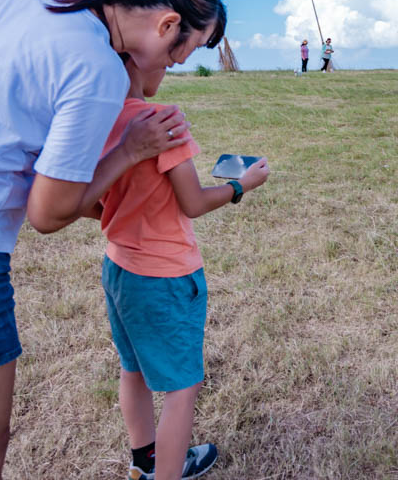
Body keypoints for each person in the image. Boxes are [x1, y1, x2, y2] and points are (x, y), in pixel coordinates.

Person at [0, 0, 226, 480]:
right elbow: (47, 213)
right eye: (183, 52)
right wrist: (131, 151)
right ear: (167, 24)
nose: (174, 67)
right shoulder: (96, 67)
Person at [96, 56, 269, 480]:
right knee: (181, 388)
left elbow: (97, 197)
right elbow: (192, 202)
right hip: (166, 276)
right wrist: (239, 186)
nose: (168, 68)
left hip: (119, 267)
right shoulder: (161, 121)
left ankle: (146, 463)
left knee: (132, 368)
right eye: (166, 59)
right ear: (139, 58)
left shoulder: (98, 118)